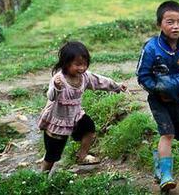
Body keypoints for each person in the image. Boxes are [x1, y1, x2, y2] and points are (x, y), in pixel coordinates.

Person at [136, 1, 179, 191]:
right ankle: (167, 176)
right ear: (159, 24)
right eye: (170, 22)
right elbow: (142, 76)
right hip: (158, 100)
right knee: (167, 133)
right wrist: (159, 89)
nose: (175, 26)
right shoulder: (151, 48)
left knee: (177, 135)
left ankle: (159, 167)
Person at [38, 40, 126, 172]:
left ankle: (82, 155)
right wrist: (57, 87)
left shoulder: (85, 77)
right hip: (58, 120)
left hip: (76, 115)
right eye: (78, 64)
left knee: (89, 127)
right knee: (53, 155)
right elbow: (51, 96)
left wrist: (117, 86)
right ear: (66, 64)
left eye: (85, 64)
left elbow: (100, 81)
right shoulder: (59, 79)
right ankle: (42, 177)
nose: (82, 68)